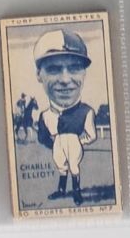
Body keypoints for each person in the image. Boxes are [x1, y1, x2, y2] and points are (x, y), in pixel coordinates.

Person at [35, 30, 97, 206]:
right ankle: (61, 190)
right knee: (61, 167)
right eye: (54, 69)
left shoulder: (86, 111)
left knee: (74, 167)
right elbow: (43, 138)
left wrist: (77, 141)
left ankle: (77, 193)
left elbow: (91, 135)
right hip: (59, 144)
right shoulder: (45, 116)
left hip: (74, 143)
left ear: (84, 73)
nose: (65, 79)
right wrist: (56, 142)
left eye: (75, 68)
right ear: (39, 75)